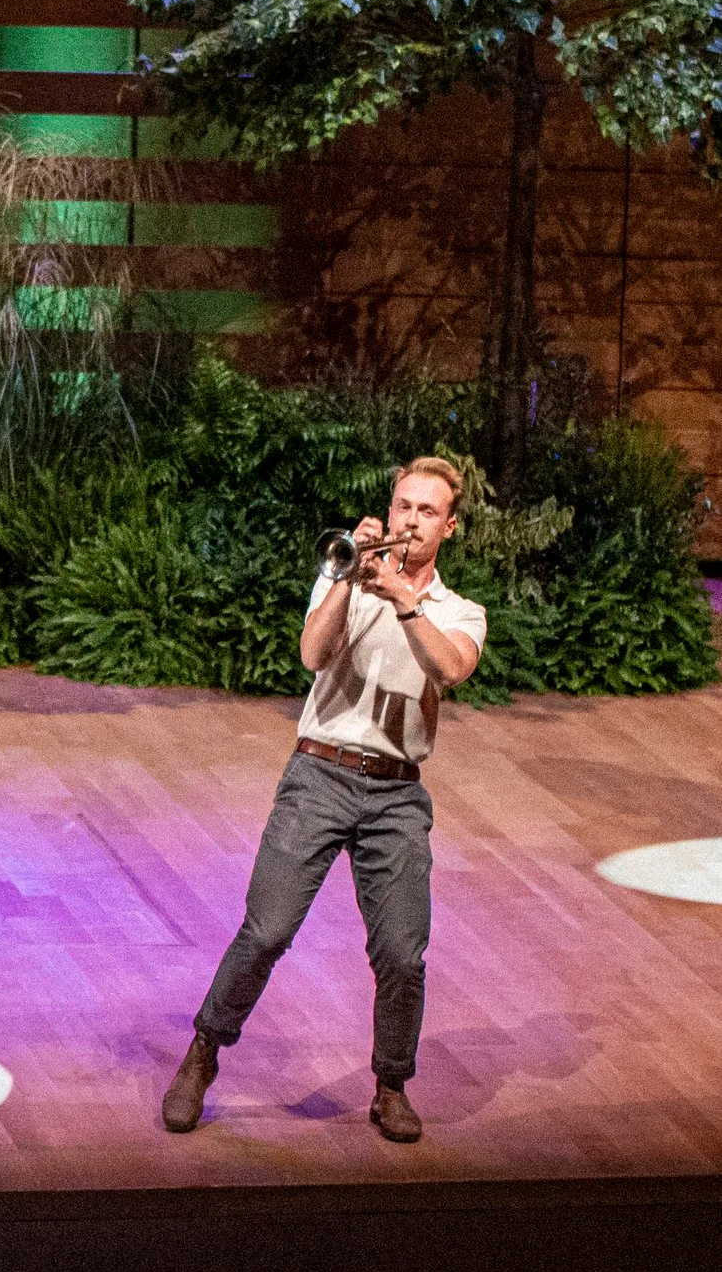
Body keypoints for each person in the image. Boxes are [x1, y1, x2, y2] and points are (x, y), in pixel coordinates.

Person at [161, 456, 487, 1144]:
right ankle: (203, 1051)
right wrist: (347, 578)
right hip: (319, 773)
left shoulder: (458, 611)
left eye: (425, 511)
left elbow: (450, 666)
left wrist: (402, 596)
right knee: (267, 929)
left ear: (449, 527)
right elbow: (311, 653)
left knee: (401, 951)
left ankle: (390, 1086)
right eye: (402, 505)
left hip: (396, 793)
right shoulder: (347, 575)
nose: (408, 519)